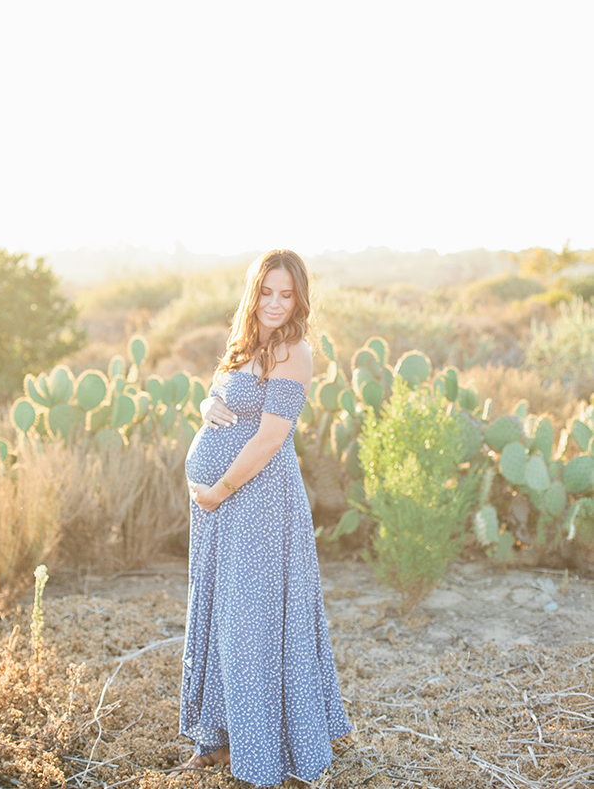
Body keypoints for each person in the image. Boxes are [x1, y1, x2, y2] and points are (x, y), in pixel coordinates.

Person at [176, 249, 352, 786]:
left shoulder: (294, 353)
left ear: (300, 299)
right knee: (223, 617)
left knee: (251, 624)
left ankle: (260, 750)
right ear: (254, 292)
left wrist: (219, 489)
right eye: (267, 292)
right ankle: (221, 739)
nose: (275, 304)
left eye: (287, 294)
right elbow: (219, 394)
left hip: (256, 503)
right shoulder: (246, 344)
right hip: (220, 509)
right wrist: (207, 409)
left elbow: (272, 436)